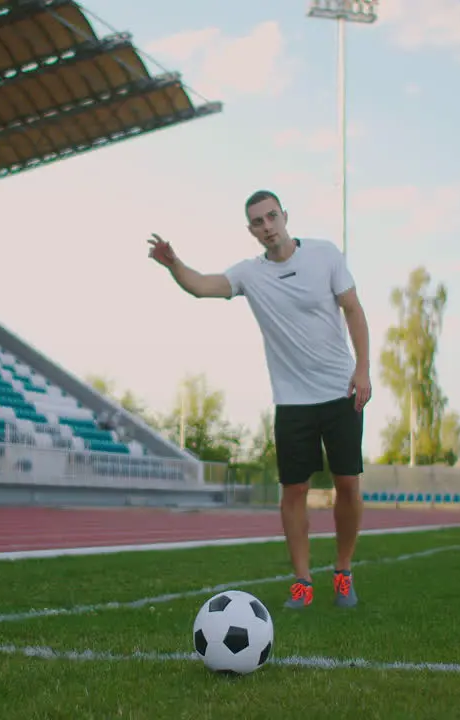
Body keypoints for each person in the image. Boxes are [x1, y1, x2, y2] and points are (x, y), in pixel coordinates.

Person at [146, 189, 371, 609]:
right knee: (294, 491)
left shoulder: (325, 254)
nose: (267, 227)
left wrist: (363, 369)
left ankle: (342, 571)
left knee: (348, 484)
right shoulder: (250, 274)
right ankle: (302, 582)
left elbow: (354, 310)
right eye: (257, 222)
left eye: (271, 217)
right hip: (292, 401)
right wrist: (174, 264)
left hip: (339, 390)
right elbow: (201, 287)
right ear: (250, 229)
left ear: (285, 216)